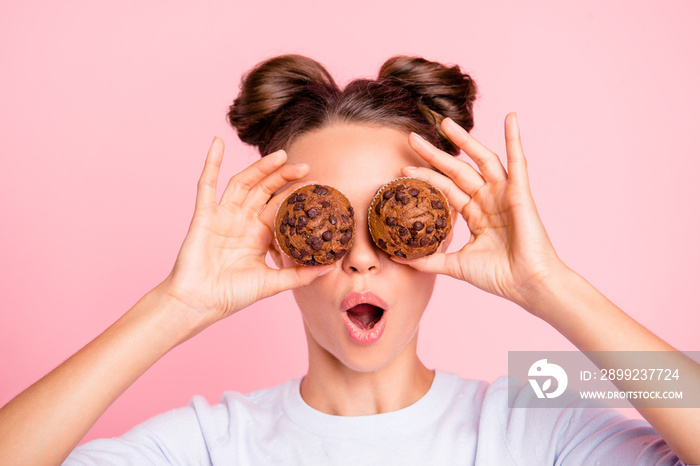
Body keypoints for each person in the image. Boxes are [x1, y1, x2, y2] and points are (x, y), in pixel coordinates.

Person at [0, 54, 698, 465]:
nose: (361, 258)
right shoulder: (216, 441)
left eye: (394, 224)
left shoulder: (529, 409)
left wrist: (553, 287)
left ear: (447, 233)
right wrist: (172, 310)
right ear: (276, 240)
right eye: (328, 224)